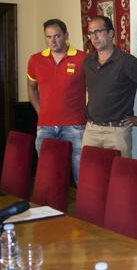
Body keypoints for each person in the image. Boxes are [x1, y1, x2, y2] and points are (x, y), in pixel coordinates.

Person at [27, 18, 87, 184]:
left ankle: (82, 210)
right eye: (48, 37)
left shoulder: (83, 59)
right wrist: (42, 113)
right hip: (45, 127)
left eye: (57, 36)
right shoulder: (35, 60)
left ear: (66, 35)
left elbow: (94, 89)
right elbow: (31, 88)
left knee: (81, 177)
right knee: (48, 178)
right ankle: (51, 210)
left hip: (75, 126)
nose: (52, 41)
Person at [82, 15, 137, 158]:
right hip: (91, 130)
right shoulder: (88, 61)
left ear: (111, 33)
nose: (94, 37)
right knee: (91, 178)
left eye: (98, 31)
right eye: (91, 33)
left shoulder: (127, 62)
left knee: (119, 178)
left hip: (117, 132)